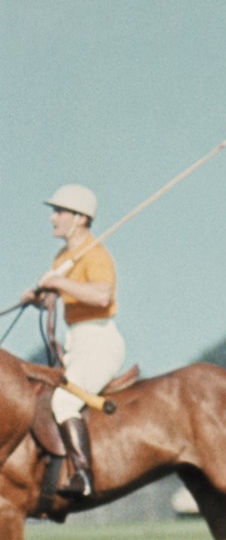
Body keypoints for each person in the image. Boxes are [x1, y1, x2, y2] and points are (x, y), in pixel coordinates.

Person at [21, 184, 125, 498]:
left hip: (99, 341)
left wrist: (59, 283)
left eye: (59, 212)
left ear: (80, 218)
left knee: (64, 401)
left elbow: (101, 294)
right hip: (75, 341)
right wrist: (39, 297)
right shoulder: (63, 257)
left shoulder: (96, 254)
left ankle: (83, 475)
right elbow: (58, 299)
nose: (53, 218)